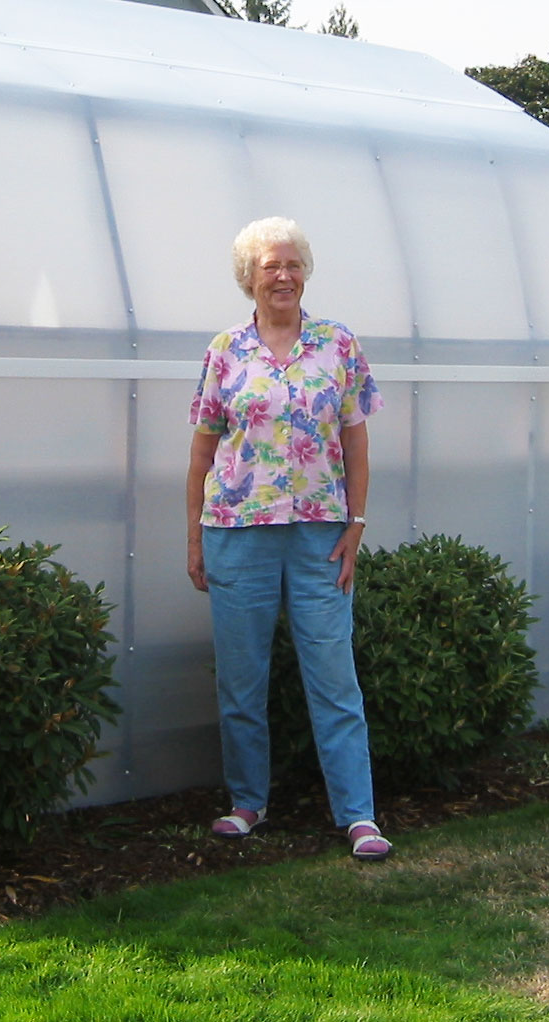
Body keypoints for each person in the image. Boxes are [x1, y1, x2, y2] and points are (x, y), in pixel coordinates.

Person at [185, 216, 390, 861]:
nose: (283, 275)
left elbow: (356, 440)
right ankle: (247, 804)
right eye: (270, 266)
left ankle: (357, 815)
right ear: (250, 277)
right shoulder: (226, 351)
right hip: (238, 534)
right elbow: (201, 453)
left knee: (334, 677)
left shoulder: (338, 345)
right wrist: (194, 538)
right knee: (242, 681)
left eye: (292, 264)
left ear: (305, 273)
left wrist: (356, 525)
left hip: (320, 537)